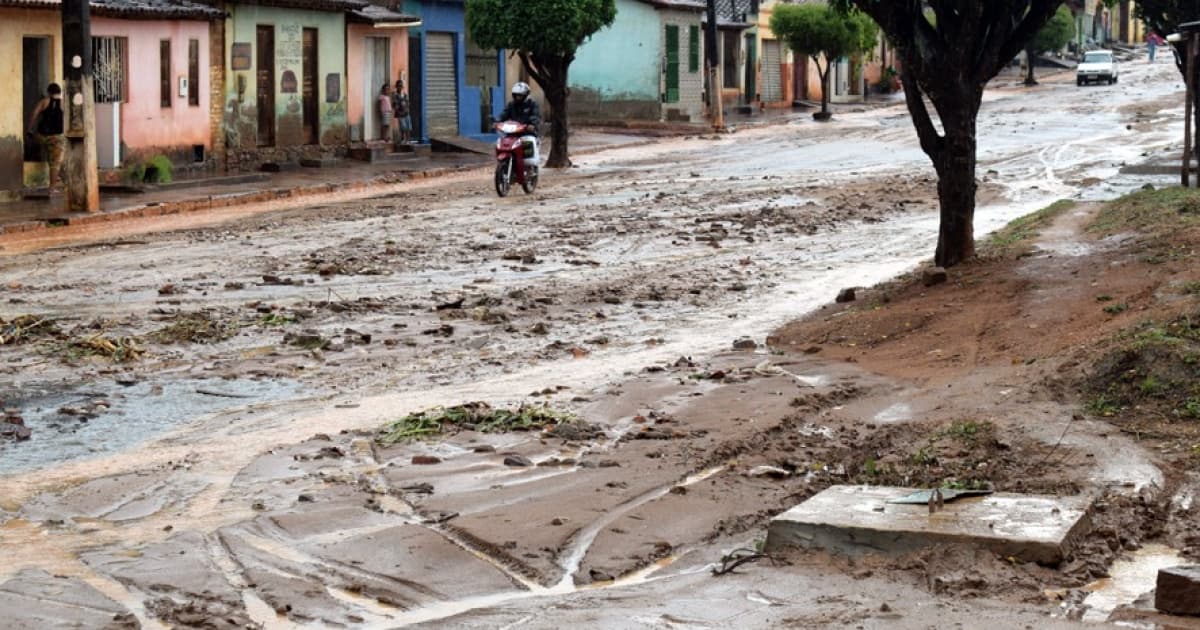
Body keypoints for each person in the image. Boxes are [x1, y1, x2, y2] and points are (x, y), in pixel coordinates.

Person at [27, 83, 65, 195]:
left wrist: (29, 129)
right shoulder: (63, 103)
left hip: (41, 136)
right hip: (56, 138)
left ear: (49, 92)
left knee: (50, 156)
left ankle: (56, 177)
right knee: (56, 163)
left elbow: (34, 114)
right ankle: (52, 188)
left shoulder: (44, 101)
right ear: (59, 92)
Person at [498, 81, 541, 165]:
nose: (518, 97)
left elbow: (536, 115)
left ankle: (531, 167)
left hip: (527, 132)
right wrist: (497, 121)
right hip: (513, 133)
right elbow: (504, 114)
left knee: (529, 149)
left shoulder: (532, 105)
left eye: (520, 95)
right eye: (516, 95)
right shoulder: (511, 105)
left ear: (526, 95)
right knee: (503, 141)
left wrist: (532, 124)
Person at [392, 78, 411, 145]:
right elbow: (395, 104)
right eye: (399, 86)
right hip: (400, 114)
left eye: (401, 86)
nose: (400, 87)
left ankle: (408, 139)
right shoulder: (395, 95)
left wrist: (407, 107)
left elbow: (408, 103)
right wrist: (398, 106)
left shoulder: (405, 94)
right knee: (403, 127)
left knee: (408, 127)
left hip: (406, 113)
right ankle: (403, 139)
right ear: (396, 86)